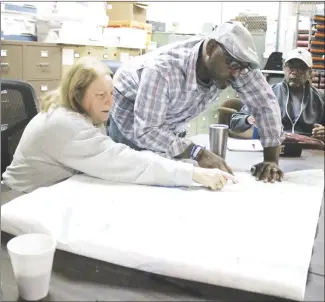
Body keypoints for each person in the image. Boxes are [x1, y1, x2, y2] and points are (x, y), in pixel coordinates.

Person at [2, 57, 237, 193]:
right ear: (77, 93)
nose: (109, 102)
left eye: (112, 93)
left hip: (52, 191)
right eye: (100, 95)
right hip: (18, 202)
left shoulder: (80, 110)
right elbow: (123, 160)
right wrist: (194, 173)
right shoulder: (65, 125)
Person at [109, 21, 285, 183]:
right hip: (131, 116)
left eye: (242, 67)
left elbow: (265, 104)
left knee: (170, 173)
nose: (237, 74)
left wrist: (271, 159)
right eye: (232, 65)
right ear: (210, 49)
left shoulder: (234, 64)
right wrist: (197, 152)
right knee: (133, 177)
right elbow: (147, 130)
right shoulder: (163, 70)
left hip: (166, 120)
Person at [230, 48, 325, 141]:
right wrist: (249, 119)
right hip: (276, 147)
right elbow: (235, 122)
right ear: (284, 68)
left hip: (308, 150)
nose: (294, 72)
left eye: (301, 68)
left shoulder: (321, 98)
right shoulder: (267, 93)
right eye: (290, 66)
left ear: (310, 72)